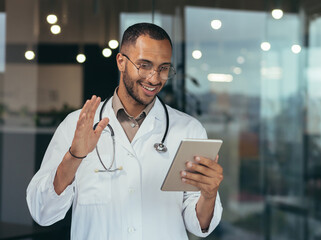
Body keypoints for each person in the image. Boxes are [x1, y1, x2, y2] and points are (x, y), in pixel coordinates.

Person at [26, 22, 223, 240]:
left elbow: (199, 226)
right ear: (121, 61)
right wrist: (75, 157)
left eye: (163, 68)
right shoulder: (75, 125)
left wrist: (209, 193)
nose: (154, 78)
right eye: (144, 65)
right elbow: (42, 212)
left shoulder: (188, 129)